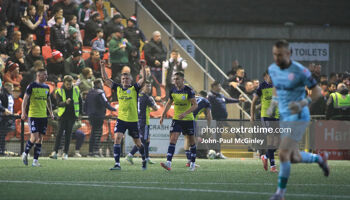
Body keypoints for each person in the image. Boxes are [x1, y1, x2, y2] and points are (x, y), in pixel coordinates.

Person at [267, 40, 329, 200]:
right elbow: (276, 86)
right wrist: (274, 102)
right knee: (293, 157)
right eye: (274, 54)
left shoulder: (300, 70)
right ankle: (320, 159)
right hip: (284, 116)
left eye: (279, 55)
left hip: (299, 115)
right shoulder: (272, 69)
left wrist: (302, 103)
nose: (276, 58)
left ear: (288, 54)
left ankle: (280, 194)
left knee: (283, 153)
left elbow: (317, 92)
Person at [101, 60, 147, 170]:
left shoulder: (134, 88)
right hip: (121, 119)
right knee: (117, 139)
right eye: (123, 79)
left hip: (133, 120)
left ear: (130, 80)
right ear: (121, 80)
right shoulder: (118, 88)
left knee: (138, 143)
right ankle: (117, 164)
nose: (125, 80)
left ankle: (144, 159)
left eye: (127, 78)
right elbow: (106, 79)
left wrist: (143, 67)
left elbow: (144, 79)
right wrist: (102, 66)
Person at [159, 72, 198, 171]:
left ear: (182, 80)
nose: (175, 81)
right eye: (174, 79)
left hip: (188, 119)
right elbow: (169, 103)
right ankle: (168, 163)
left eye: (177, 79)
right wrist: (163, 115)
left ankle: (193, 163)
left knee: (191, 142)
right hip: (177, 119)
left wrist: (185, 113)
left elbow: (195, 105)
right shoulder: (173, 90)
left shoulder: (189, 90)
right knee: (173, 140)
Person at [21, 68, 54, 167]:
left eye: (46, 74)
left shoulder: (46, 87)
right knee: (34, 137)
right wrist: (23, 112)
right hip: (33, 115)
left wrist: (51, 112)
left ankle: (35, 161)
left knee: (40, 139)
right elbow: (25, 100)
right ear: (38, 75)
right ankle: (25, 153)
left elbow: (48, 101)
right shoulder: (32, 86)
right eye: (44, 74)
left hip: (43, 116)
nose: (46, 76)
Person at [250, 71, 279, 173]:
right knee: (270, 140)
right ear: (266, 76)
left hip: (276, 116)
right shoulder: (262, 86)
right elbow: (253, 102)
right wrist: (252, 116)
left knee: (277, 143)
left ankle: (265, 156)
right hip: (266, 116)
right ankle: (273, 166)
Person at [125, 81, 158, 165]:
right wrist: (153, 101)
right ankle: (130, 155)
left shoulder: (137, 96)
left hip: (137, 120)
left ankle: (147, 158)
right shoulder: (147, 98)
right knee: (143, 140)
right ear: (143, 87)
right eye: (147, 86)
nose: (149, 88)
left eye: (150, 86)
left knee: (147, 140)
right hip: (144, 121)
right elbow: (156, 109)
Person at [50, 75, 82, 160]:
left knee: (68, 134)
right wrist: (65, 103)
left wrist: (80, 114)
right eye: (67, 84)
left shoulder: (76, 90)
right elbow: (58, 103)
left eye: (70, 83)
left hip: (72, 115)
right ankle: (55, 152)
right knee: (59, 134)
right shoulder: (59, 91)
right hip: (63, 115)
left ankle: (65, 153)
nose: (69, 85)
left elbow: (80, 102)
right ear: (64, 83)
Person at [85, 78, 116, 157]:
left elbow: (86, 104)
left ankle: (91, 151)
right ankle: (95, 151)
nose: (103, 85)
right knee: (98, 134)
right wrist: (113, 109)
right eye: (102, 83)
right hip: (99, 116)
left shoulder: (90, 92)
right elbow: (105, 103)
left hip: (91, 116)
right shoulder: (100, 92)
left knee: (93, 133)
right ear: (99, 84)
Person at [184, 90, 212, 167]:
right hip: (191, 118)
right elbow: (209, 116)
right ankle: (191, 162)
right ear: (207, 97)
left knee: (187, 139)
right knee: (194, 140)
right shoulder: (207, 102)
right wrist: (208, 128)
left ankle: (188, 160)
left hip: (182, 116)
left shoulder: (194, 97)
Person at [0, 82, 15, 156]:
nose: (13, 89)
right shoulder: (2, 94)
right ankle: (1, 150)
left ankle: (2, 149)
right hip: (2, 117)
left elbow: (11, 106)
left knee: (3, 134)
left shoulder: (11, 95)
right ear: (6, 86)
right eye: (11, 87)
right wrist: (4, 111)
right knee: (1, 134)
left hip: (8, 117)